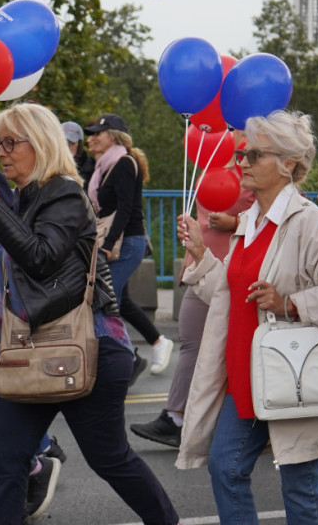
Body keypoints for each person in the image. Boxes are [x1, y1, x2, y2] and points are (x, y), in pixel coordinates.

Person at [0, 103, 179, 525]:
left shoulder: (63, 191)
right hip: (33, 352)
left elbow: (42, 258)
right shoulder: (27, 198)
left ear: (41, 144)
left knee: (109, 459)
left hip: (88, 349)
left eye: (12, 142)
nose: (2, 152)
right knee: (7, 462)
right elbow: (28, 268)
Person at [174, 110, 318, 524]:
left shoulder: (309, 221)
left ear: (289, 164)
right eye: (242, 153)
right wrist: (203, 256)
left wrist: (290, 305)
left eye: (254, 155)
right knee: (225, 468)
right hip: (243, 372)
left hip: (291, 372)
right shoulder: (250, 220)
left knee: (300, 481)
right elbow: (234, 294)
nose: (242, 162)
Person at [130, 139, 255, 448]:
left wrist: (235, 222)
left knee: (226, 350)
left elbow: (271, 219)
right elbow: (203, 213)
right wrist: (189, 228)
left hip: (233, 270)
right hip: (199, 267)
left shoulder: (255, 162)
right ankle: (177, 417)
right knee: (193, 343)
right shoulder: (212, 158)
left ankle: (211, 419)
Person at [85, 113, 173, 382]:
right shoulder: (102, 166)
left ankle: (127, 359)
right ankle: (157, 343)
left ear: (113, 136)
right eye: (90, 134)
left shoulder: (123, 163)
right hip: (117, 242)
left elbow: (125, 209)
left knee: (106, 303)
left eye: (97, 133)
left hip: (127, 243)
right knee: (119, 301)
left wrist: (108, 244)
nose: (92, 138)